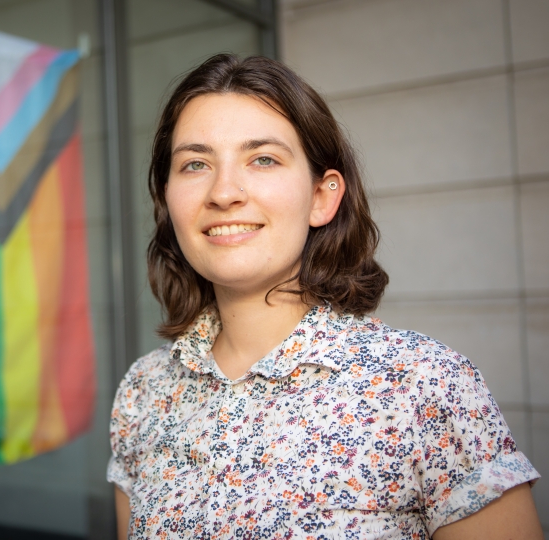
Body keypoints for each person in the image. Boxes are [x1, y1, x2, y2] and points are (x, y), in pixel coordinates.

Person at [107, 54, 542, 539]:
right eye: (194, 164)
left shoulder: (424, 387)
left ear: (322, 196)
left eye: (263, 159)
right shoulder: (143, 393)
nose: (224, 191)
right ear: (167, 198)